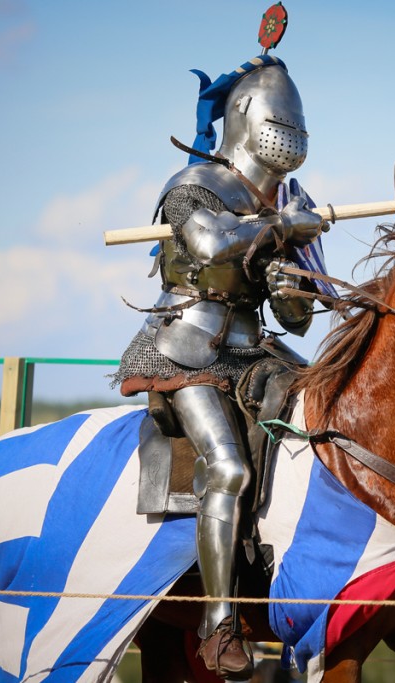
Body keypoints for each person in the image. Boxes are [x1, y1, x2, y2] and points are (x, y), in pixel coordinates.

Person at [111, 51, 326, 679]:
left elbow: (296, 319)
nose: (287, 134)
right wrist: (281, 226)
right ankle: (220, 621)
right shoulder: (194, 186)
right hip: (187, 344)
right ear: (246, 117)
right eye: (278, 120)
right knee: (227, 469)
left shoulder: (286, 198)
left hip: (253, 347)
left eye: (296, 123)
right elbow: (208, 243)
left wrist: (295, 275)